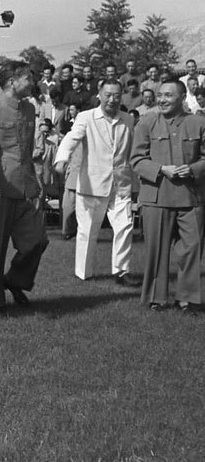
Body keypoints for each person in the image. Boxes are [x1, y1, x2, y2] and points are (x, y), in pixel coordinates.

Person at [0, 60, 49, 310]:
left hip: (25, 187)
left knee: (37, 240)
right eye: (28, 78)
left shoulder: (29, 109)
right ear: (12, 82)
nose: (32, 83)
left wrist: (36, 184)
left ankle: (15, 280)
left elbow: (26, 151)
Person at [54, 80, 139, 284]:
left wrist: (135, 184)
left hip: (121, 183)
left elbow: (130, 153)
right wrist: (62, 159)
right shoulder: (86, 117)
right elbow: (71, 138)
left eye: (117, 95)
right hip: (92, 183)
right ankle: (84, 273)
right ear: (99, 95)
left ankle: (121, 272)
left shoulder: (127, 119)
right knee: (88, 230)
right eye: (108, 95)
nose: (112, 99)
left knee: (125, 226)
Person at [131, 80, 205, 312]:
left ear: (182, 97)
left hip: (191, 197)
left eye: (168, 95)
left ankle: (188, 298)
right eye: (159, 95)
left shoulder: (199, 123)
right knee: (157, 249)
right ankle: (157, 297)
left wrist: (193, 169)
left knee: (192, 249)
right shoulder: (146, 123)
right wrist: (161, 169)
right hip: (157, 197)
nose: (162, 99)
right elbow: (136, 159)